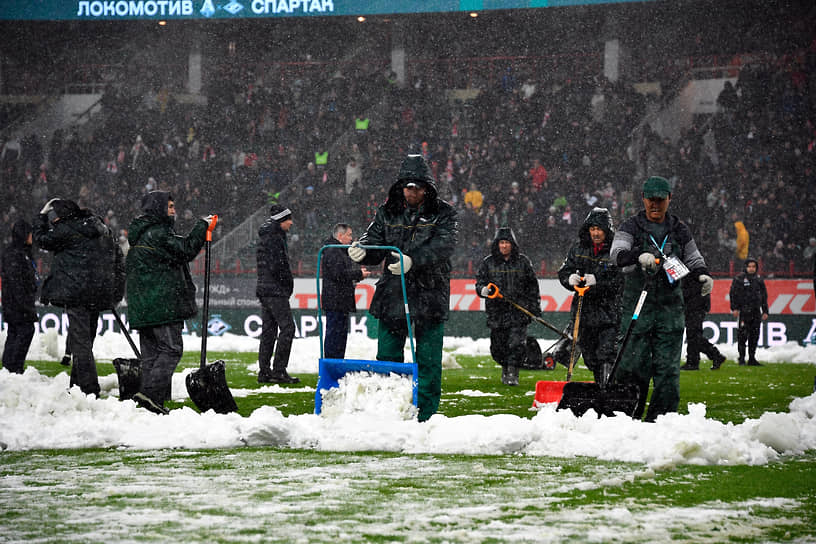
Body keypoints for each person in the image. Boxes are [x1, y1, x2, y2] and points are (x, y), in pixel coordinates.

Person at [348, 154, 458, 422]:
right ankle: (390, 412)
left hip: (430, 294)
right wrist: (364, 251)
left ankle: (426, 415)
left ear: (427, 188)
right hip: (393, 295)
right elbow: (373, 239)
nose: (412, 192)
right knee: (387, 357)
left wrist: (414, 261)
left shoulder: (444, 213)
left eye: (417, 187)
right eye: (408, 187)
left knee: (429, 361)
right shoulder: (387, 212)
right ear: (401, 187)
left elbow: (445, 246)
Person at [609, 176, 712, 422]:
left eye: (661, 200)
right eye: (651, 200)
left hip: (670, 310)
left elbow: (694, 259)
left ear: (669, 199)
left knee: (668, 371)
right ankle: (625, 418)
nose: (655, 205)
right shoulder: (630, 226)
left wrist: (703, 275)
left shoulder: (679, 229)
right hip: (638, 306)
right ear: (643, 199)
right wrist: (637, 256)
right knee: (632, 367)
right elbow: (616, 255)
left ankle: (662, 421)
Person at [126, 191, 211, 414]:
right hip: (160, 305)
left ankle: (151, 402)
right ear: (158, 208)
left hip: (143, 307)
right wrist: (202, 226)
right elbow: (186, 249)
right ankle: (151, 394)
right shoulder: (158, 234)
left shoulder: (142, 235)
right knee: (172, 349)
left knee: (151, 356)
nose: (174, 210)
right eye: (170, 206)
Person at [35, 198, 125, 397]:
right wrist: (115, 290)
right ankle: (77, 386)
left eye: (54, 217)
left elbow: (41, 239)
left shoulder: (67, 229)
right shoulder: (100, 227)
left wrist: (41, 217)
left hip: (76, 294)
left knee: (80, 343)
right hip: (97, 293)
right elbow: (118, 259)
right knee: (85, 341)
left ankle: (88, 389)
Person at [557, 207, 622, 384]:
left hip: (608, 312)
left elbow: (621, 280)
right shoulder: (577, 248)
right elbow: (564, 271)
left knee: (606, 354)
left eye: (599, 229)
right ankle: (602, 384)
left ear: (606, 230)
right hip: (583, 312)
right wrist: (569, 279)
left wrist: (598, 282)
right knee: (590, 356)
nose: (595, 233)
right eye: (592, 229)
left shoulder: (616, 251)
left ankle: (607, 388)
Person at [475, 227, 541, 386]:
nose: (504, 246)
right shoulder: (488, 263)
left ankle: (513, 372)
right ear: (497, 244)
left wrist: (534, 307)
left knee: (516, 344)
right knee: (498, 346)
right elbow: (480, 283)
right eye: (501, 243)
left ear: (512, 244)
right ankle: (505, 366)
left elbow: (533, 286)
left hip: (519, 311)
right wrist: (483, 290)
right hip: (496, 312)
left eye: (506, 243)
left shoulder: (523, 262)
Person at [256, 204, 299, 384]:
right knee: (287, 328)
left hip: (265, 289)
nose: (291, 223)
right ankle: (279, 370)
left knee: (269, 331)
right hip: (275, 290)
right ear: (281, 220)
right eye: (288, 219)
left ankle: (264, 371)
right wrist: (287, 284)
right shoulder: (274, 238)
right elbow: (278, 266)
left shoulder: (268, 235)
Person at [321, 223, 370, 359]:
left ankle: (336, 361)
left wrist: (356, 276)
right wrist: (358, 274)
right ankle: (332, 363)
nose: (351, 238)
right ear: (340, 235)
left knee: (339, 334)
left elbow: (340, 274)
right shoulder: (333, 250)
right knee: (335, 334)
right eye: (349, 235)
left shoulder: (338, 250)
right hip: (336, 300)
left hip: (339, 299)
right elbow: (338, 274)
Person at [1, 219, 38, 374]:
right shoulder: (15, 255)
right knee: (24, 331)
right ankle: (13, 367)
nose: (32, 237)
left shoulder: (21, 253)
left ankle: (10, 367)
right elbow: (16, 283)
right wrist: (25, 305)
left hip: (16, 303)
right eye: (30, 234)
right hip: (16, 304)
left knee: (16, 332)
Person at [680, 274, 726, 371]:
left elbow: (690, 291)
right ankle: (694, 361)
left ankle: (711, 356)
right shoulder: (696, 273)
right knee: (694, 335)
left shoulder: (692, 275)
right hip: (696, 307)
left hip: (695, 307)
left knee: (694, 336)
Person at [729, 257, 769, 366]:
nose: (751, 269)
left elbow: (764, 296)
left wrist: (765, 311)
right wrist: (735, 308)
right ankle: (741, 358)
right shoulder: (739, 279)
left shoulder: (759, 280)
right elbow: (733, 294)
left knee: (754, 336)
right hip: (743, 312)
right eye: (749, 266)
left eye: (753, 267)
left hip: (756, 312)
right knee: (742, 336)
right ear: (745, 267)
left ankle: (752, 358)